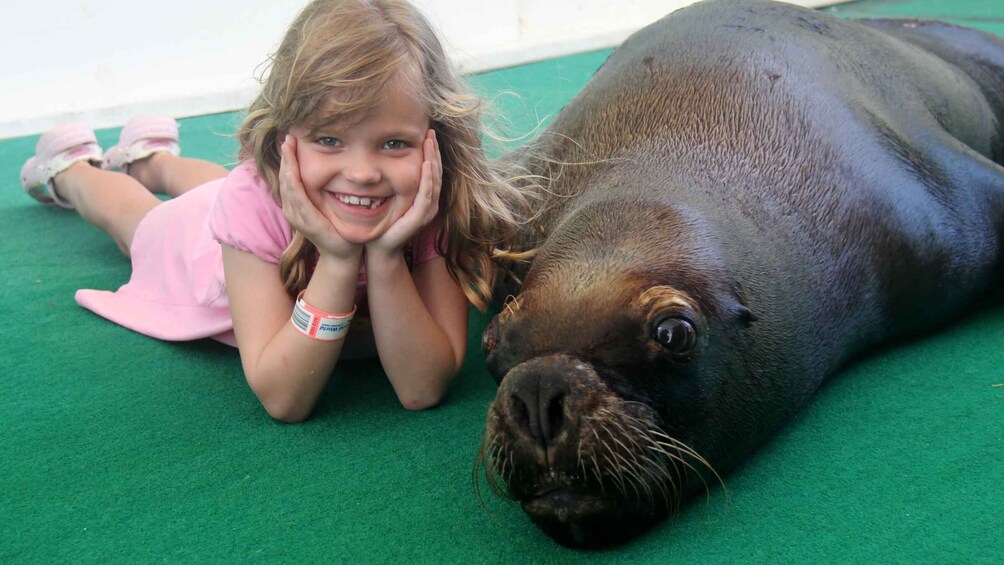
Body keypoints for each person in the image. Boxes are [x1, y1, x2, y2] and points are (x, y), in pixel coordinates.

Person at [18, 0, 529, 423]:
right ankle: (72, 172)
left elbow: (421, 387)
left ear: (434, 139)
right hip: (201, 248)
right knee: (137, 220)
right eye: (329, 139)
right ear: (284, 139)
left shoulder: (427, 199)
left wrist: (387, 256)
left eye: (393, 143)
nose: (364, 173)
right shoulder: (252, 199)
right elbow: (284, 398)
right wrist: (335, 260)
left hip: (266, 205)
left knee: (223, 188)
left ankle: (152, 158)